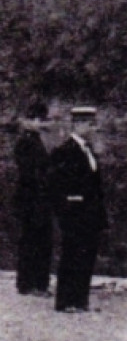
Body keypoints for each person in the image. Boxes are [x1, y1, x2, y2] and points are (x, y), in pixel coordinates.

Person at [49, 106, 105, 313]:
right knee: (71, 256)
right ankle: (65, 301)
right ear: (77, 124)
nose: (90, 128)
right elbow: (56, 185)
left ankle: (80, 299)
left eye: (92, 124)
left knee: (86, 256)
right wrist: (67, 206)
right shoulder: (65, 151)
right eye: (87, 124)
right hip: (74, 213)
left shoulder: (88, 150)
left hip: (89, 213)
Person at [13, 101, 53, 296]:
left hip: (38, 199)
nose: (38, 123)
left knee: (39, 240)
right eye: (35, 119)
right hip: (32, 199)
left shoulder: (36, 141)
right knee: (32, 241)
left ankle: (35, 282)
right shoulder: (26, 142)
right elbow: (29, 173)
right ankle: (29, 283)